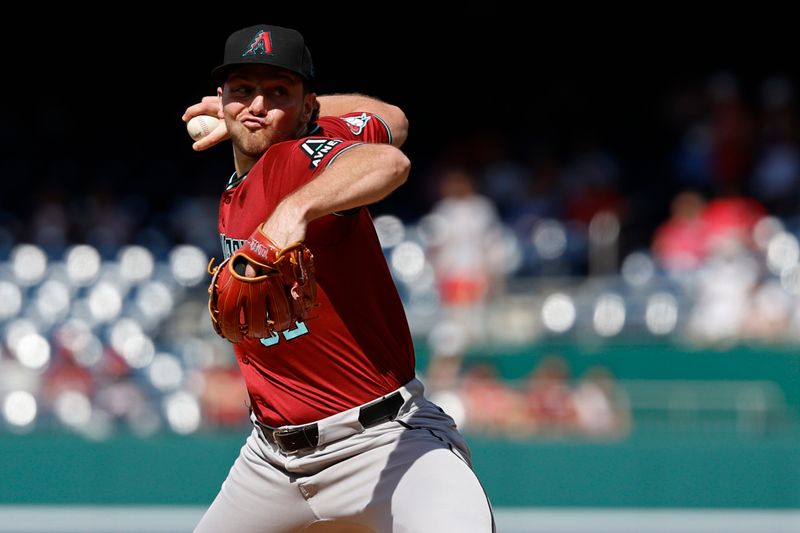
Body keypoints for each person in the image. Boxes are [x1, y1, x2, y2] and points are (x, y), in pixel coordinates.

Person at [184, 24, 495, 532]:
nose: (257, 105)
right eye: (243, 90)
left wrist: (295, 210)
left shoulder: (294, 161)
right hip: (271, 461)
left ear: (307, 111)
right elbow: (392, 121)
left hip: (383, 444)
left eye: (277, 92)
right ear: (221, 101)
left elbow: (389, 161)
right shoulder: (259, 171)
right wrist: (289, 103)